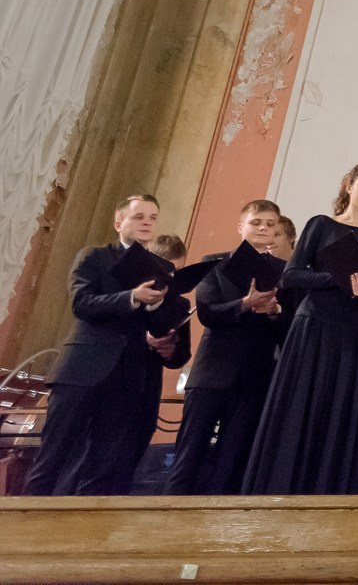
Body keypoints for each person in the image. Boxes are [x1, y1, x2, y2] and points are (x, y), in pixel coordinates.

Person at [243, 162, 358, 494]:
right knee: (303, 407)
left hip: (356, 332)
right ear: (349, 185)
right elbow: (291, 276)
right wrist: (337, 278)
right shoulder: (321, 225)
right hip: (314, 328)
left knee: (344, 415)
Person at [25, 194, 189, 495]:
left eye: (152, 217)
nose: (147, 222)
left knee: (102, 466)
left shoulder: (161, 269)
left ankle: (80, 535)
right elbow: (82, 304)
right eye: (139, 216)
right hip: (83, 370)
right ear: (119, 222)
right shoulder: (95, 256)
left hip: (128, 377)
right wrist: (131, 297)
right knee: (54, 456)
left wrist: (154, 307)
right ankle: (22, 534)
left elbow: (160, 323)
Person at [167, 198, 288, 495]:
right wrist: (246, 303)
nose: (263, 228)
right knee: (188, 456)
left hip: (255, 378)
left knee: (230, 464)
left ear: (276, 232)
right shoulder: (216, 263)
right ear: (241, 227)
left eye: (270, 224)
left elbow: (291, 328)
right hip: (212, 374)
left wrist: (274, 312)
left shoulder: (286, 271)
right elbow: (208, 313)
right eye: (256, 222)